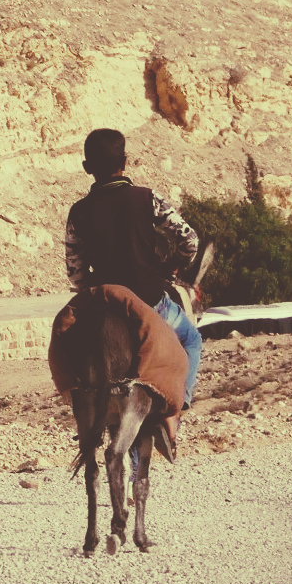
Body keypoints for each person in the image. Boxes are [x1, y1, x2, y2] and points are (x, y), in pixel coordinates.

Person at [63, 127, 203, 422]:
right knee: (191, 339)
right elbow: (189, 240)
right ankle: (180, 403)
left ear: (87, 168)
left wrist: (95, 289)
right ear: (125, 161)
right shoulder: (147, 198)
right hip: (150, 298)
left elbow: (75, 272)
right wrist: (172, 266)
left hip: (105, 302)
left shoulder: (78, 212)